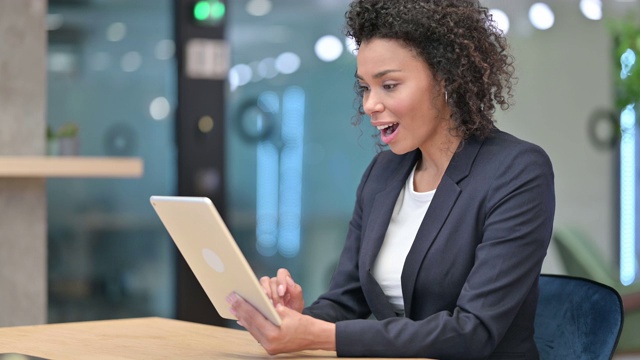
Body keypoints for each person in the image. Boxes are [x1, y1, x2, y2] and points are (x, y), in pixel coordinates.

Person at [227, 0, 555, 358]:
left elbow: (471, 332)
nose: (369, 104)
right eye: (365, 88)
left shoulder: (517, 171)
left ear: (447, 78)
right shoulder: (383, 174)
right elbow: (345, 301)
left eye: (389, 85)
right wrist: (296, 319)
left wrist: (321, 335)